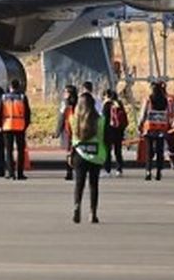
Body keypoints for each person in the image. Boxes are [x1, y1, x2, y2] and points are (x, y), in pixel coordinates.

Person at [70, 92, 106, 224]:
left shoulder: (74, 119)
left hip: (79, 152)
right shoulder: (100, 120)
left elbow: (72, 137)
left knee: (79, 184)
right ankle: (93, 213)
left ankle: (77, 206)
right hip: (96, 154)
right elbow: (104, 138)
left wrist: (71, 152)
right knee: (93, 185)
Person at [0, 79, 31, 180]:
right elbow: (27, 113)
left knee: (8, 151)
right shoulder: (22, 97)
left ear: (10, 87)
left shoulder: (4, 97)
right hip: (20, 126)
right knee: (20, 151)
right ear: (18, 86)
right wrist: (25, 125)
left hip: (7, 126)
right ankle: (20, 173)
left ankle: (11, 173)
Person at [139, 81, 171, 181]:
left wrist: (140, 124)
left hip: (150, 128)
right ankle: (158, 171)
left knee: (149, 151)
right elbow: (168, 113)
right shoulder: (165, 100)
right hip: (161, 128)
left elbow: (143, 113)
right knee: (159, 150)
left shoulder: (149, 99)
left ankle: (148, 171)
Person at [102, 89, 128, 177]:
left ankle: (107, 170)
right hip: (119, 131)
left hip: (109, 130)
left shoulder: (107, 105)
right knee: (118, 151)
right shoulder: (119, 104)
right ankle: (119, 169)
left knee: (107, 151)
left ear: (107, 96)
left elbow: (104, 119)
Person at [55, 85, 77, 181]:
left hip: (68, 129)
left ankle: (69, 172)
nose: (64, 94)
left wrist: (57, 131)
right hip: (77, 129)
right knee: (76, 151)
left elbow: (61, 118)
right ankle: (75, 170)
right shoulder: (79, 102)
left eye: (65, 92)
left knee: (69, 152)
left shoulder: (65, 104)